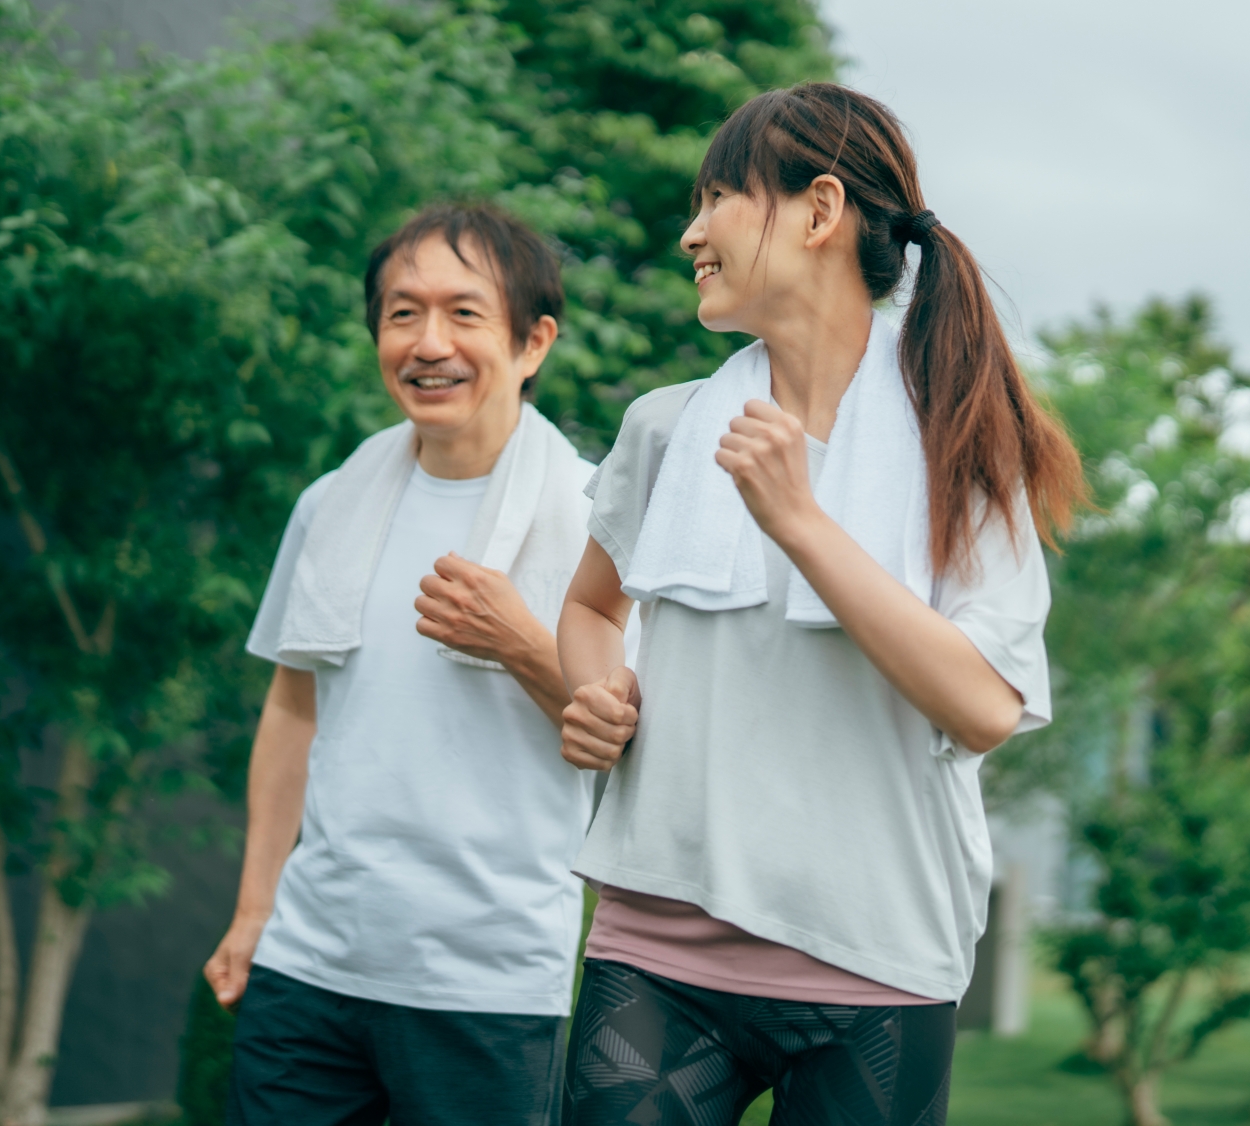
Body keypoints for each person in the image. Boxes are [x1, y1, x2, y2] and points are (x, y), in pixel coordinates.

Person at [555, 83, 1088, 1126]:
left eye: (717, 198)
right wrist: (593, 689)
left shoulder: (963, 442)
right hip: (658, 946)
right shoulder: (665, 429)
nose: (689, 232)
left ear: (818, 209)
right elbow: (587, 609)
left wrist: (801, 521)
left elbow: (985, 706)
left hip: (873, 969)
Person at [206, 204, 598, 1126]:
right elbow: (293, 713)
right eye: (401, 313)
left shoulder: (592, 514)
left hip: (487, 982)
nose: (429, 343)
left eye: (465, 314)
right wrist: (256, 909)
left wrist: (521, 644)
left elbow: (627, 735)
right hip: (311, 963)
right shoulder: (330, 503)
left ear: (533, 342)